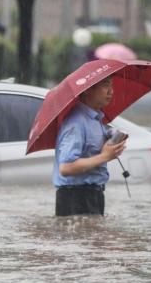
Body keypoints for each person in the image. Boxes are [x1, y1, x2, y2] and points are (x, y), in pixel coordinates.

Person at [53, 76, 126, 216]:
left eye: (111, 85)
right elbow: (66, 167)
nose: (111, 91)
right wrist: (104, 156)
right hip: (75, 197)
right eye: (105, 85)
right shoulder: (75, 123)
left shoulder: (96, 119)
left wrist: (112, 142)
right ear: (87, 90)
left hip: (94, 194)